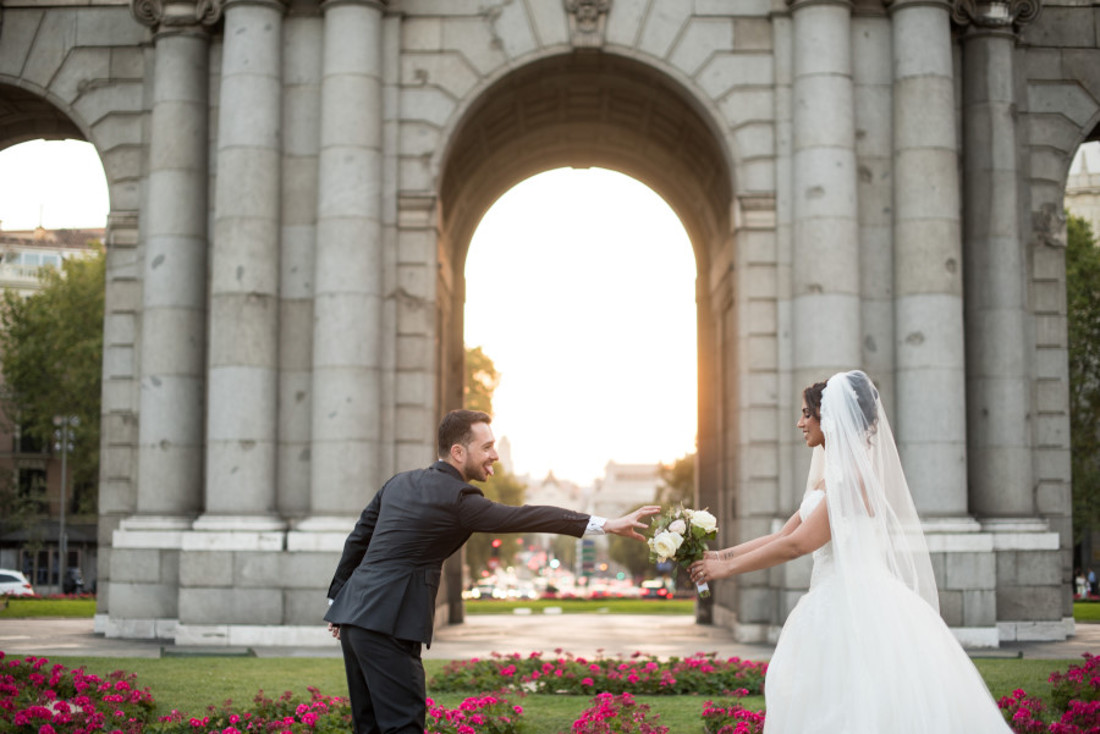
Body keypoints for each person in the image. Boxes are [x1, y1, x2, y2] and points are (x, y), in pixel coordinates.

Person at [690, 370, 1012, 733]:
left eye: (806, 415)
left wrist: (727, 571)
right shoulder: (830, 478)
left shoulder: (851, 479)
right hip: (831, 597)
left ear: (831, 418)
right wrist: (719, 557)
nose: (800, 423)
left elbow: (797, 545)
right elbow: (783, 533)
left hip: (855, 604)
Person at [325, 409, 660, 734]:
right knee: (403, 725)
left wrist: (338, 603)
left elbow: (359, 538)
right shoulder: (459, 500)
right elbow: (528, 516)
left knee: (367, 727)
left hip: (355, 619)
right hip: (389, 622)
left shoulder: (399, 483)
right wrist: (607, 525)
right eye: (486, 447)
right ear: (458, 452)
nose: (495, 455)